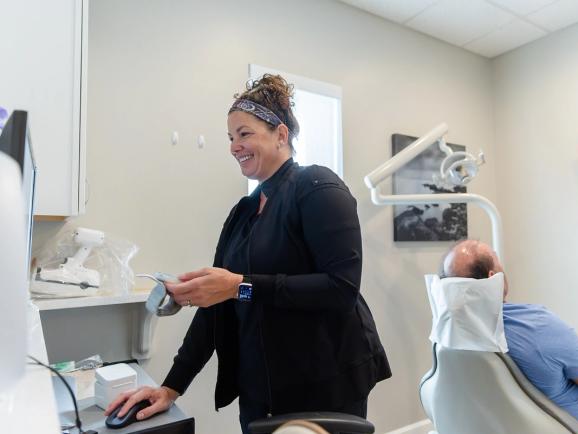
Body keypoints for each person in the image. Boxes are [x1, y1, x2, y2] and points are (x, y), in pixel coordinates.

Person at [105, 74, 391, 433]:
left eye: (244, 134)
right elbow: (217, 308)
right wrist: (170, 387)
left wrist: (239, 285)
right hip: (262, 391)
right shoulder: (243, 213)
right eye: (230, 137)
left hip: (324, 383)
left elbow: (340, 289)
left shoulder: (318, 186)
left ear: (281, 135)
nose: (234, 146)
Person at [439, 239, 578, 434]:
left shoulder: (446, 338)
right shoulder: (537, 326)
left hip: (507, 424)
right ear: (493, 278)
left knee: (567, 364)